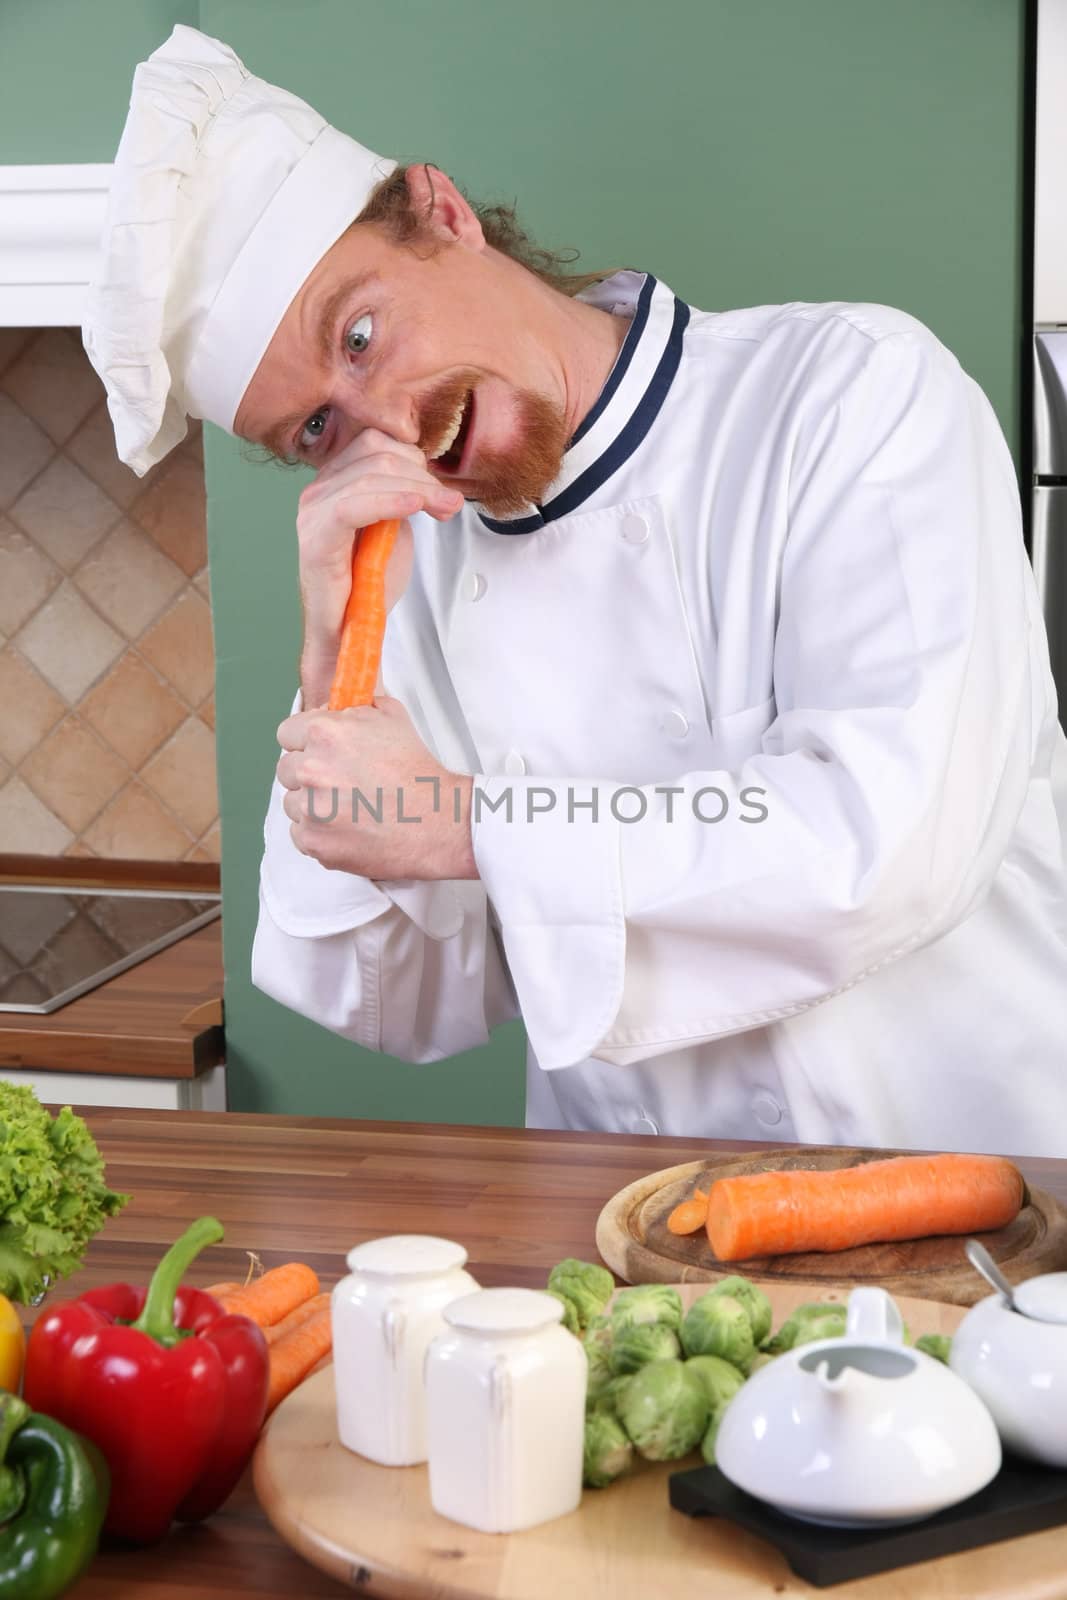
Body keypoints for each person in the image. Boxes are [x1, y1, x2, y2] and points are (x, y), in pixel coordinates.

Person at [85, 26, 1067, 1156]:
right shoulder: (414, 568)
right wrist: (329, 671)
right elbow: (379, 999)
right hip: (643, 1251)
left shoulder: (852, 394)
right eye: (317, 428)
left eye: (359, 336)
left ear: (440, 213)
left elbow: (882, 845)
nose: (388, 428)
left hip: (993, 1213)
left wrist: (462, 823)